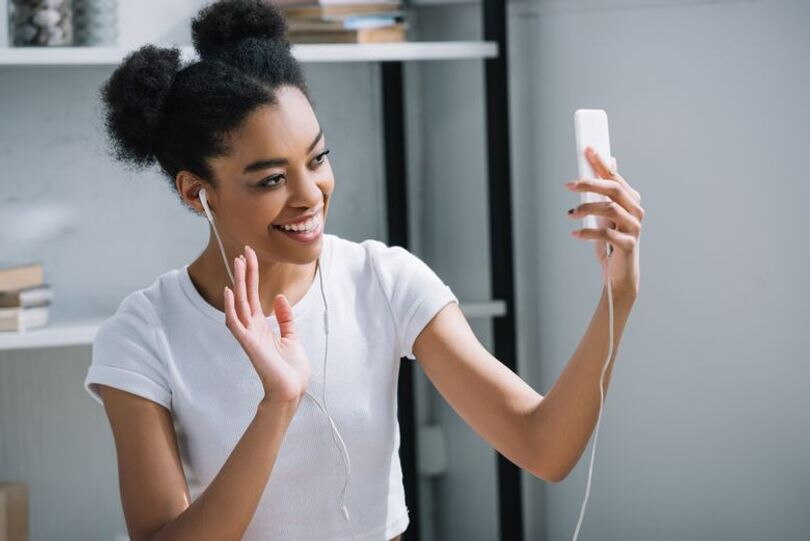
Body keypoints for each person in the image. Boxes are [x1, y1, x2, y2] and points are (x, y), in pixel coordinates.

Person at [83, 1, 644, 540]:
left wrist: (618, 295)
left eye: (318, 158)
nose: (311, 195)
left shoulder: (384, 280)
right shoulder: (143, 336)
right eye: (271, 179)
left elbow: (545, 448)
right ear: (195, 192)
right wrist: (277, 405)